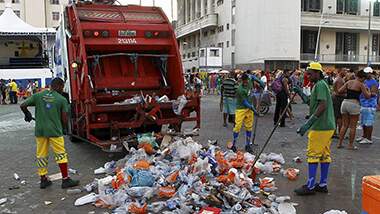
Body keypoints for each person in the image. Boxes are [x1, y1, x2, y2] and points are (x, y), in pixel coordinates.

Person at [20, 77, 79, 189]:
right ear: (60, 86)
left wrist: (26, 114)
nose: (62, 89)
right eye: (62, 87)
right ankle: (65, 179)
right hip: (55, 131)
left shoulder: (38, 95)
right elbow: (65, 118)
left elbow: (22, 105)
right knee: (61, 154)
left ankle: (43, 179)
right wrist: (65, 129)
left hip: (40, 131)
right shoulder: (61, 99)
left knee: (41, 155)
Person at [294, 62, 336, 196]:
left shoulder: (321, 85)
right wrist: (300, 92)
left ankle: (310, 186)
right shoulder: (318, 86)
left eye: (310, 73)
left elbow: (322, 106)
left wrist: (308, 124)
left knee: (313, 155)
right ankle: (322, 184)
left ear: (318, 73)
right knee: (324, 155)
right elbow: (310, 101)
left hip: (321, 127)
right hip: (327, 126)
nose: (308, 75)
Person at [337, 69, 371, 150]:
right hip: (354, 104)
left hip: (345, 103)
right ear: (362, 78)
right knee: (353, 126)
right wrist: (368, 90)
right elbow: (367, 96)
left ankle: (339, 143)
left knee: (344, 125)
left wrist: (349, 92)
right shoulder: (361, 84)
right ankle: (350, 145)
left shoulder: (349, 82)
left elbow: (339, 91)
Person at [229, 73, 258, 153]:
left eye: (246, 81)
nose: (245, 83)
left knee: (249, 127)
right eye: (244, 82)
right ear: (242, 81)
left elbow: (253, 77)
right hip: (241, 109)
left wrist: (260, 82)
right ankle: (234, 145)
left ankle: (247, 145)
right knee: (237, 126)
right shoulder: (239, 89)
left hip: (249, 110)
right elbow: (245, 102)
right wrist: (253, 109)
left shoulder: (249, 82)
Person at [357, 67, 379, 144]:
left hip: (370, 105)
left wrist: (366, 91)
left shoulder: (374, 82)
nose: (367, 74)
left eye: (368, 73)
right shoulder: (365, 81)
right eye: (366, 73)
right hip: (363, 104)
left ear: (371, 73)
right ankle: (364, 136)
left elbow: (374, 93)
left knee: (368, 122)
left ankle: (369, 138)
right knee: (363, 122)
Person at [332, 68, 347, 138]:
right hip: (338, 99)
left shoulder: (339, 78)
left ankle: (335, 132)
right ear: (340, 71)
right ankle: (339, 133)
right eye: (344, 71)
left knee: (336, 116)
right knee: (339, 117)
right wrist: (347, 91)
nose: (346, 72)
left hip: (337, 99)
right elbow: (338, 92)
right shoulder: (340, 80)